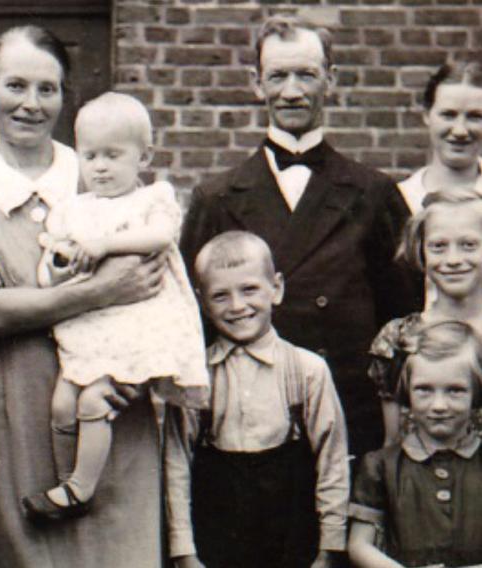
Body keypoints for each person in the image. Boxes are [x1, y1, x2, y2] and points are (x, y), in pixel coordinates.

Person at [0, 25, 168, 568]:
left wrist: (140, 374)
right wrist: (103, 289)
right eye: (15, 86)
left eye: (48, 89)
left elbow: (159, 288)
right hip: (12, 423)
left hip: (112, 415)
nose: (31, 104)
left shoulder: (105, 178)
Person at [179, 14, 421, 459]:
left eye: (306, 74)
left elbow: (405, 315)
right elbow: (187, 321)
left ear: (331, 79)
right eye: (278, 76)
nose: (291, 91)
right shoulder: (215, 198)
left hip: (350, 415)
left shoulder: (374, 193)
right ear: (256, 83)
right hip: (246, 417)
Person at [20, 92, 209, 522]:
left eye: (113, 155)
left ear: (144, 157)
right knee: (63, 404)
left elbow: (160, 238)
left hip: (136, 328)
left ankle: (81, 489)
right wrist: (60, 265)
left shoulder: (150, 201)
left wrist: (104, 244)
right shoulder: (73, 210)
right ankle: (67, 479)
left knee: (94, 402)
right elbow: (48, 272)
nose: (100, 166)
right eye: (90, 156)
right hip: (93, 327)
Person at [166, 231, 350, 568]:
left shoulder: (307, 370)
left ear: (276, 288)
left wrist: (330, 547)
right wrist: (184, 551)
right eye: (220, 295)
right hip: (219, 530)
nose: (237, 306)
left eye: (249, 289)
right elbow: (177, 464)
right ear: (201, 302)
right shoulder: (194, 376)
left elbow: (332, 462)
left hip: (290, 533)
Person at [349, 321, 482, 567]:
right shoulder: (381, 466)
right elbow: (359, 545)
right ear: (407, 392)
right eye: (424, 390)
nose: (439, 405)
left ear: (476, 392)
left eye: (455, 390)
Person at [369, 188, 482, 446]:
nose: (453, 259)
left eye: (469, 245)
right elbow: (393, 444)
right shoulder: (399, 339)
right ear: (421, 250)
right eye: (439, 246)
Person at [397, 60, 482, 214]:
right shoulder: (401, 198)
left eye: (475, 117)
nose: (460, 131)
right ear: (427, 115)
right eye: (448, 115)